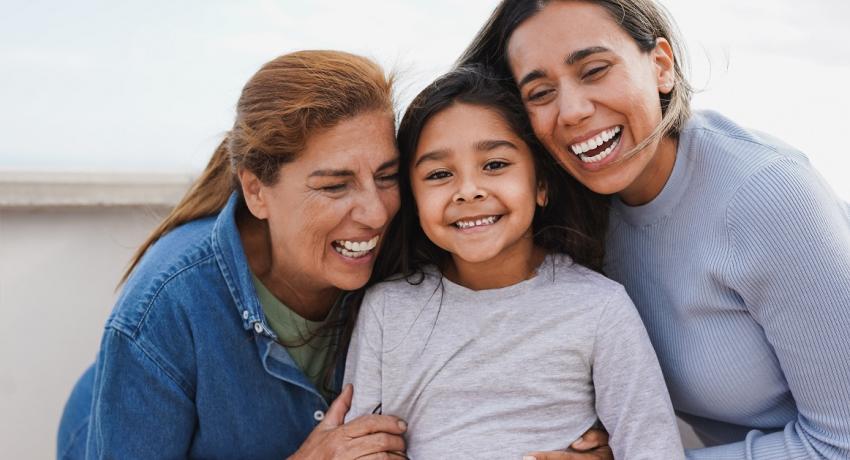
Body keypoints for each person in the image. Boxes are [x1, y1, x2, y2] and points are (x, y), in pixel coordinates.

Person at [458, 1, 850, 458]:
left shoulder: (766, 195)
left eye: (594, 70)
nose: (572, 111)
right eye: (540, 93)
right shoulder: (568, 208)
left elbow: (841, 442)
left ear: (661, 66)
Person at [56, 50, 410, 459]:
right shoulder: (165, 303)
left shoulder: (412, 253)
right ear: (257, 191)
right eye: (334, 185)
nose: (377, 212)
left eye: (387, 176)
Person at [342, 65, 684, 459]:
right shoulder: (388, 309)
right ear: (413, 198)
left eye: (495, 165)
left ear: (541, 184)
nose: (468, 191)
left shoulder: (598, 308)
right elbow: (359, 443)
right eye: (439, 174)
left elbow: (653, 448)